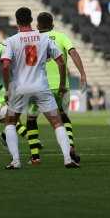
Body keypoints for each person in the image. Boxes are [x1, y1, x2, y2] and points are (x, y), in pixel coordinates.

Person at [1, 7, 80, 169]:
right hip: (42, 87)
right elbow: (61, 62)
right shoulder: (44, 38)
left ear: (17, 22)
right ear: (31, 20)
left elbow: (5, 66)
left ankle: (16, 161)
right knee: (57, 122)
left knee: (10, 122)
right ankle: (67, 159)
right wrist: (62, 85)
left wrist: (8, 88)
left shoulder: (11, 41)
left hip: (20, 88)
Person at [25, 12, 87, 164]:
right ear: (53, 24)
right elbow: (73, 53)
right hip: (61, 85)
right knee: (63, 117)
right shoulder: (61, 36)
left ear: (37, 25)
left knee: (31, 119)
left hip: (38, 86)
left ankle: (35, 156)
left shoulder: (32, 39)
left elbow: (29, 63)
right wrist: (82, 74)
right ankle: (70, 147)